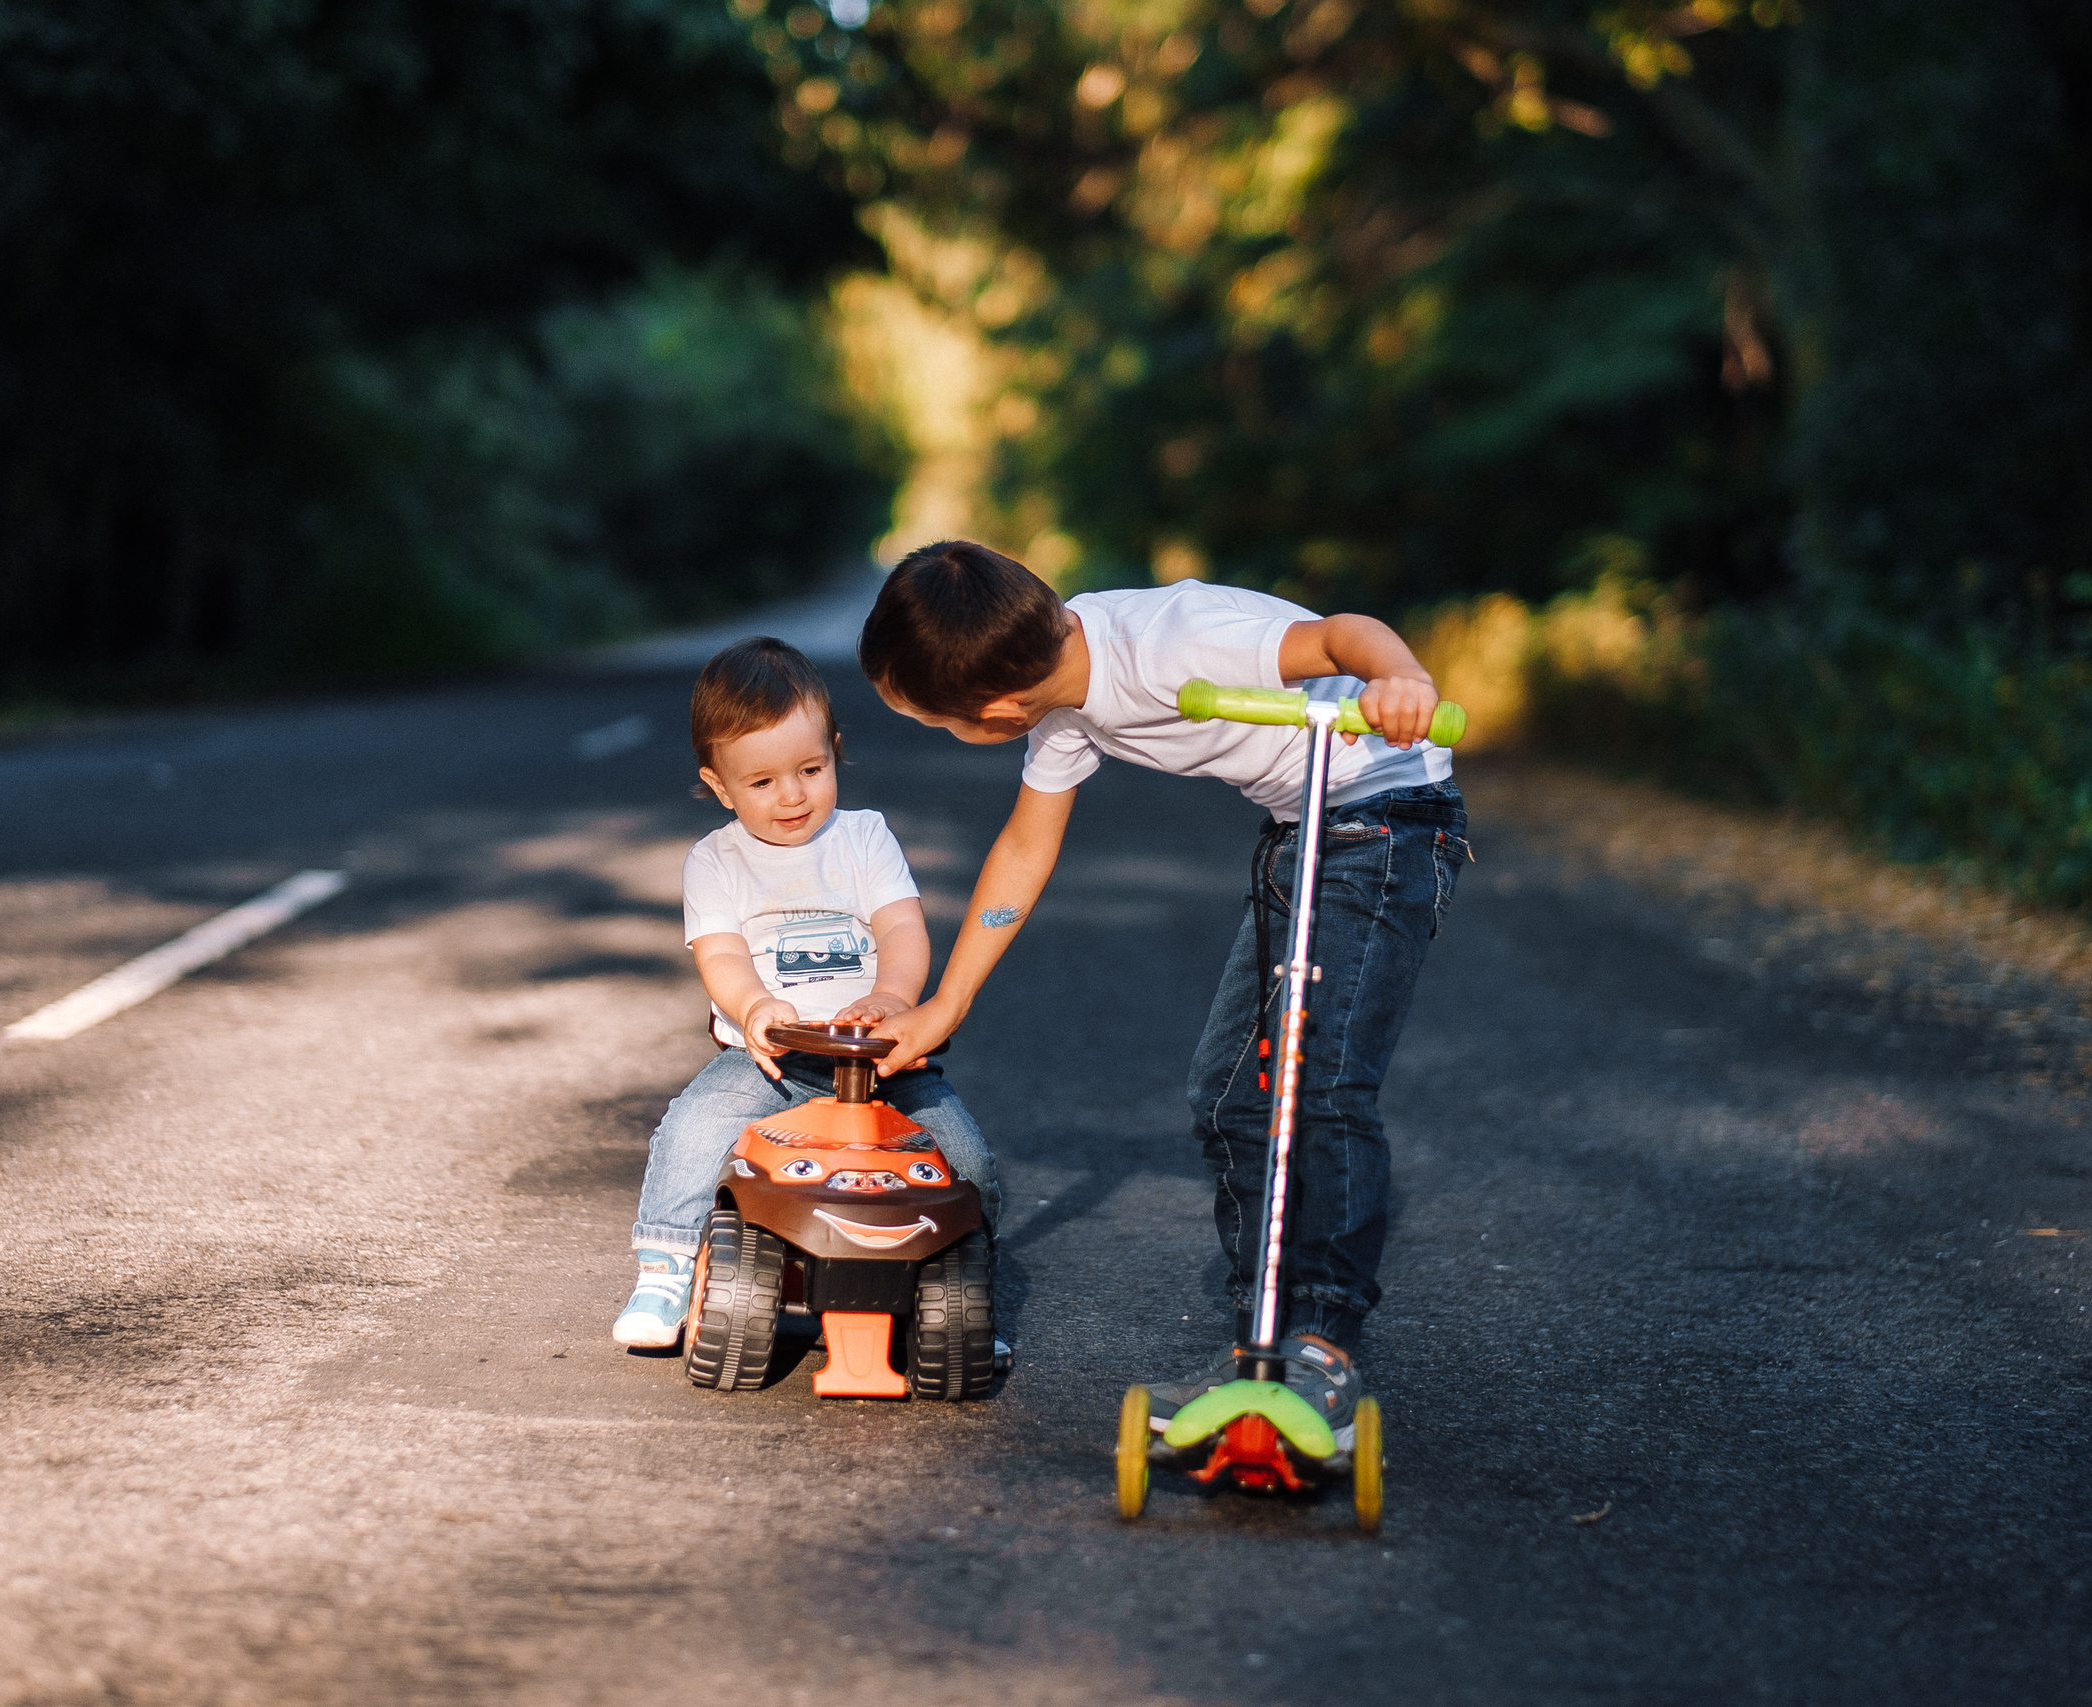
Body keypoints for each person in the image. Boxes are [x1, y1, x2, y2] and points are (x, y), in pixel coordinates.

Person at [858, 542, 1466, 1447]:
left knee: (1321, 1084)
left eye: (940, 722)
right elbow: (1026, 848)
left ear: (994, 712)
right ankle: (1261, 1342)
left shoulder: (1175, 643)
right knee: (1229, 1096)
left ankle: (1323, 1344)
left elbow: (1344, 633)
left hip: (1385, 824)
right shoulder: (1063, 701)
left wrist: (1401, 678)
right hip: (1300, 831)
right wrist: (946, 1002)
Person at [611, 637, 1003, 1348]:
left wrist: (892, 994)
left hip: (880, 1059)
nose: (791, 795)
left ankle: (963, 1290)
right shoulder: (716, 860)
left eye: (810, 769)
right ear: (722, 786)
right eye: (761, 783)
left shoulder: (863, 837)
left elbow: (901, 926)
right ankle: (665, 1265)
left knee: (960, 1153)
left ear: (835, 752)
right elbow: (721, 952)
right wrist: (756, 1006)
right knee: (695, 1124)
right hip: (773, 1061)